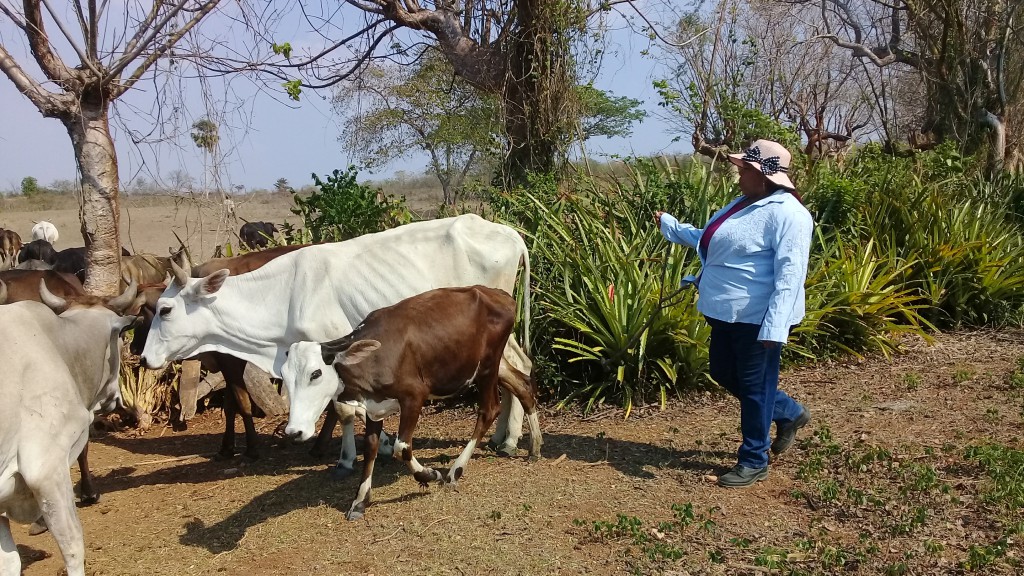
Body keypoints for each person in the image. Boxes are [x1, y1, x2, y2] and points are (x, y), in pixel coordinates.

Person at [654, 139, 814, 488]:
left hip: (756, 318)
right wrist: (673, 227)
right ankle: (788, 412)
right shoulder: (743, 204)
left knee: (756, 388)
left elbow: (791, 272)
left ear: (762, 174)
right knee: (724, 372)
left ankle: (754, 459)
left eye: (744, 170)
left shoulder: (789, 214)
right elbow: (713, 241)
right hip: (724, 312)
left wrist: (774, 327)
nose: (738, 175)